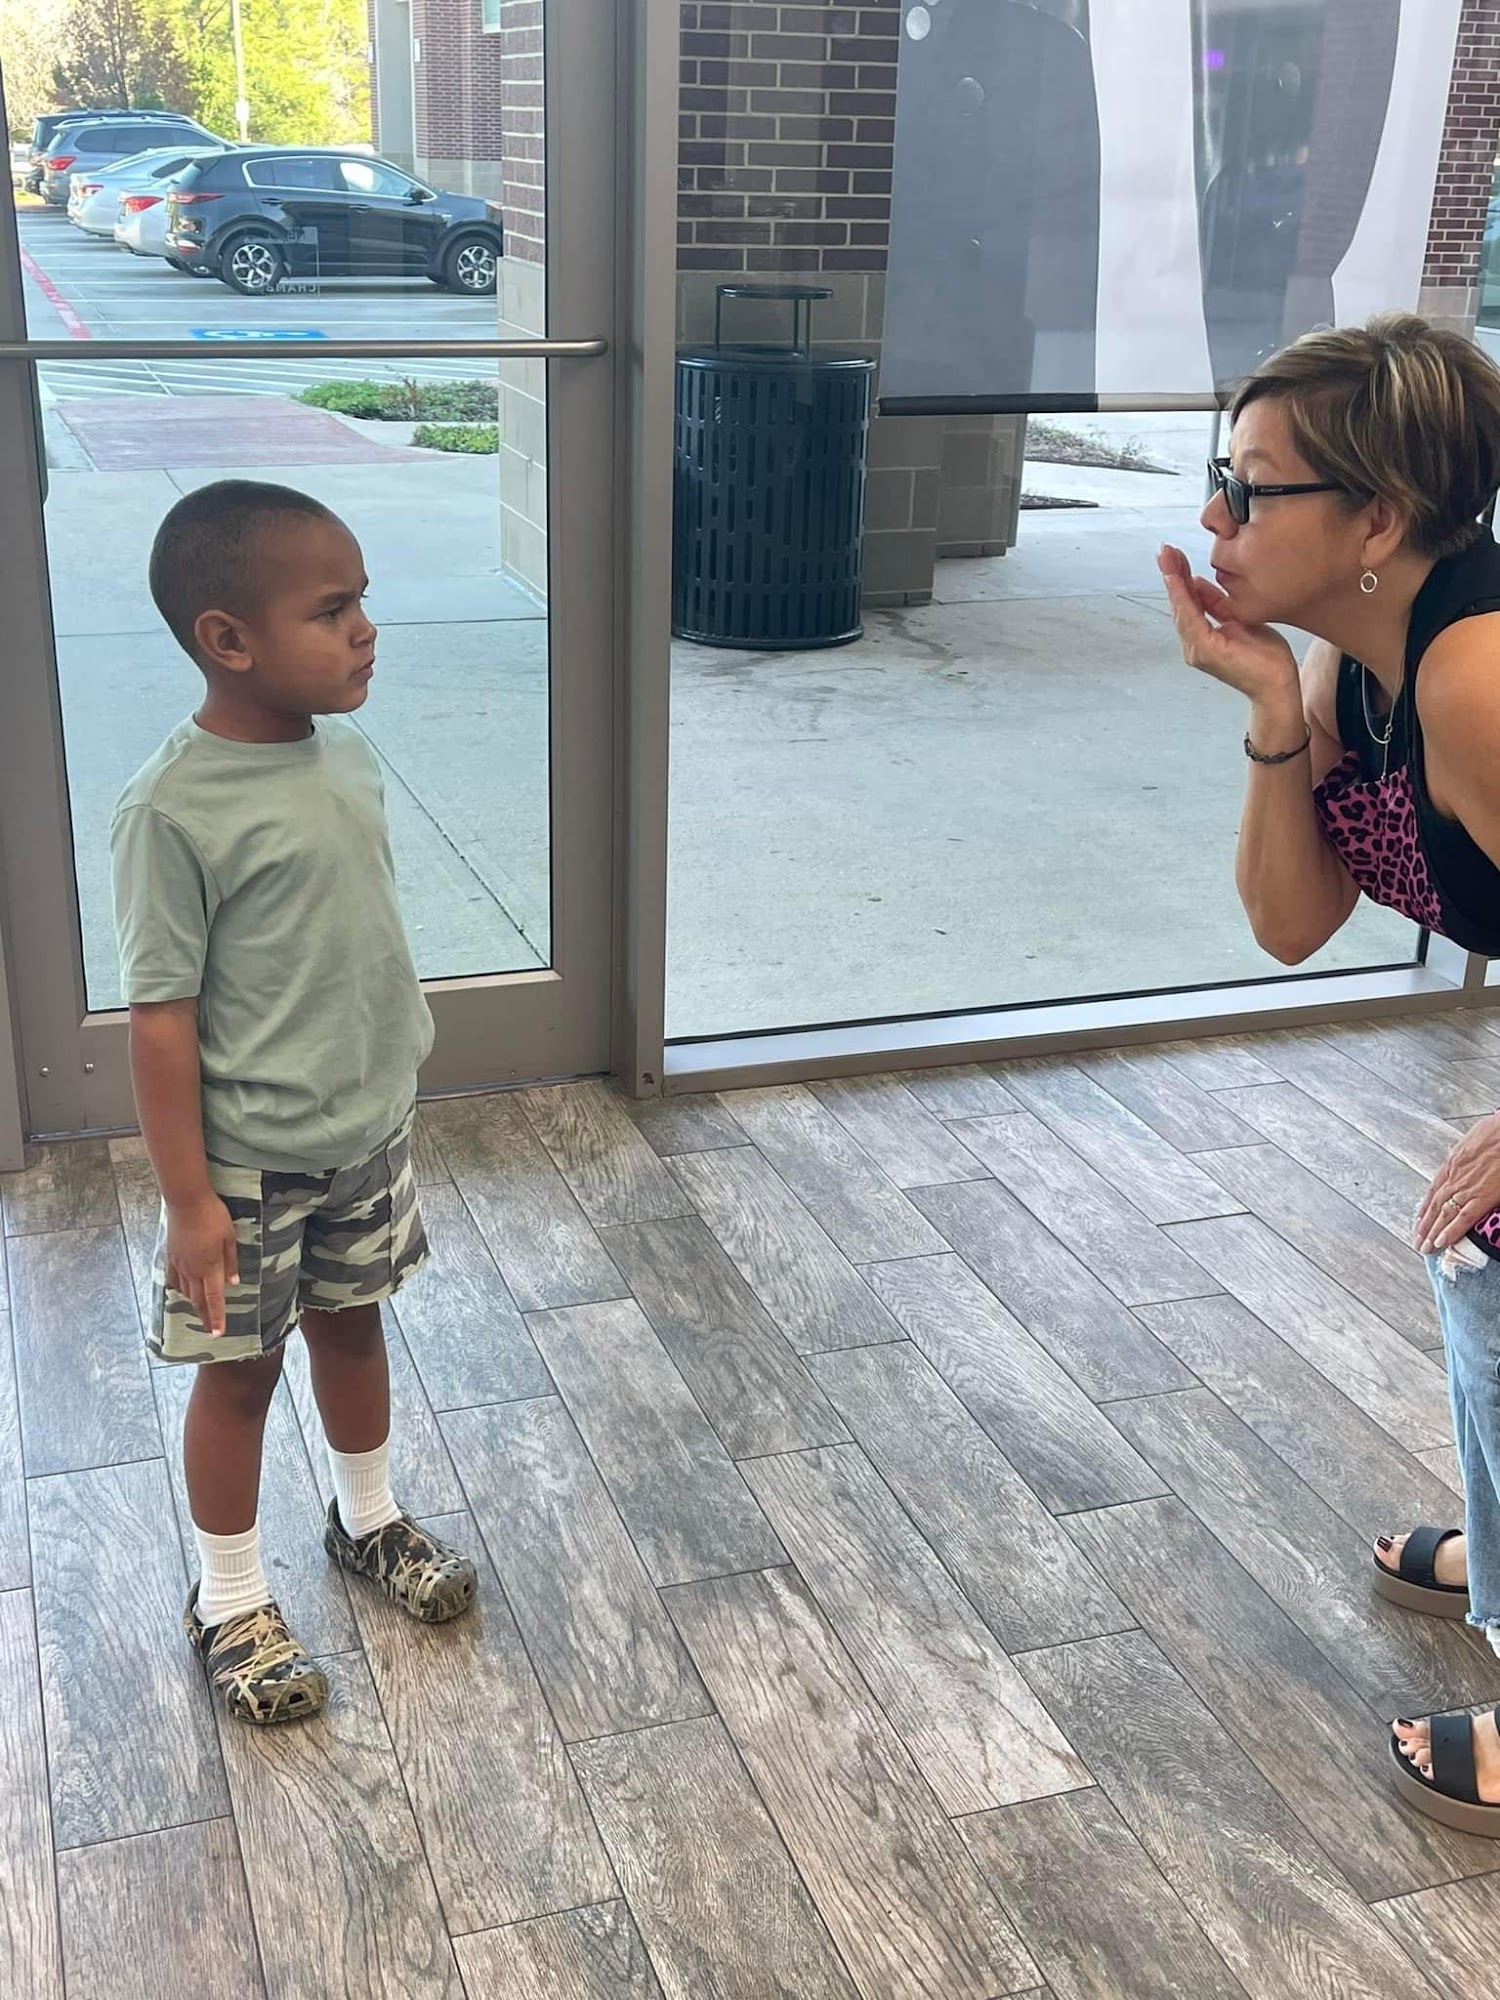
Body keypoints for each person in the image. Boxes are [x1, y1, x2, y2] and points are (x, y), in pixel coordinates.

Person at [1160, 312, 1500, 1837]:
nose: (1215, 516)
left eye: (1253, 488)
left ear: (1378, 520)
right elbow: (1293, 922)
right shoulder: (1350, 670)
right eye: (1218, 476)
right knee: (1479, 1274)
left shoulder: (1478, 678)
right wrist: (1267, 711)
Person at [112, 479, 477, 1727]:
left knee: (356, 1328)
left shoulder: (348, 755)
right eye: (332, 610)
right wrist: (189, 1199)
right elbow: (160, 1016)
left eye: (362, 600)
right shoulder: (172, 808)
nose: (366, 629)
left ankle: (367, 1517)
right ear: (229, 638)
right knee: (241, 1374)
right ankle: (228, 1597)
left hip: (362, 1131)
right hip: (247, 1163)